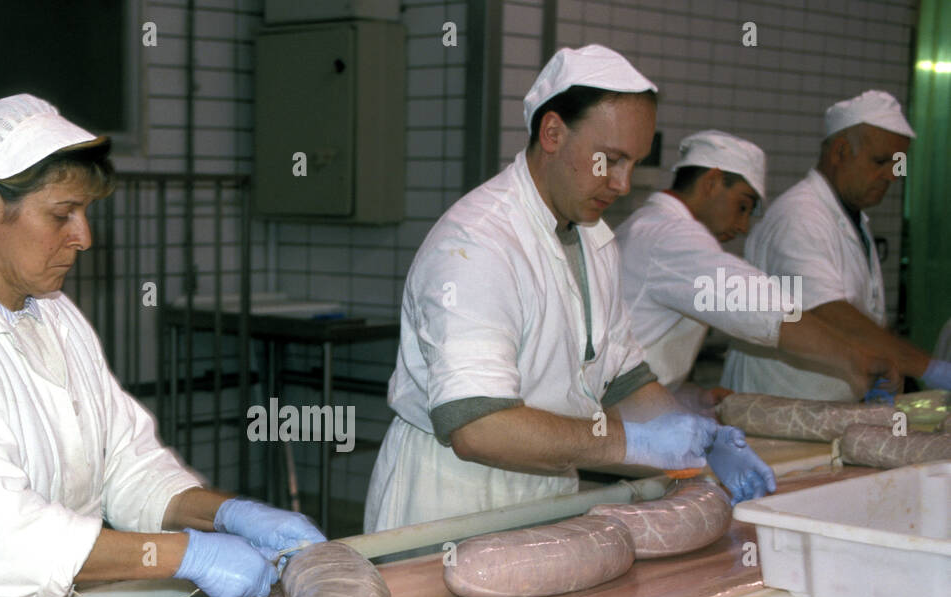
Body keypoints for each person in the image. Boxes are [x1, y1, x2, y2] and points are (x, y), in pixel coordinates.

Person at [0, 94, 323, 597]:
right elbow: (4, 541)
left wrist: (229, 515)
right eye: (62, 214)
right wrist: (190, 554)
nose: (85, 237)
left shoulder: (54, 314)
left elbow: (127, 466)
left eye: (86, 213)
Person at [364, 46, 775, 534]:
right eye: (611, 160)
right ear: (553, 132)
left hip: (545, 492)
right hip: (453, 501)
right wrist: (629, 445)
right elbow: (478, 427)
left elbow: (624, 378)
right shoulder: (476, 244)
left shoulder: (592, 237)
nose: (623, 184)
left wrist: (703, 440)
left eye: (635, 163)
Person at [617, 130, 896, 407]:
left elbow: (639, 346)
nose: (743, 227)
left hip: (628, 409)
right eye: (743, 206)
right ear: (712, 182)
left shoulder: (646, 226)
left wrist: (689, 396)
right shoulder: (671, 235)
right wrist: (855, 358)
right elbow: (758, 305)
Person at [721, 90, 951, 399]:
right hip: (777, 409)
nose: (892, 176)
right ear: (840, 152)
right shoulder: (800, 217)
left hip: (824, 410)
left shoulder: (853, 220)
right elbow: (831, 314)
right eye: (881, 161)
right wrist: (928, 368)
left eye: (898, 164)